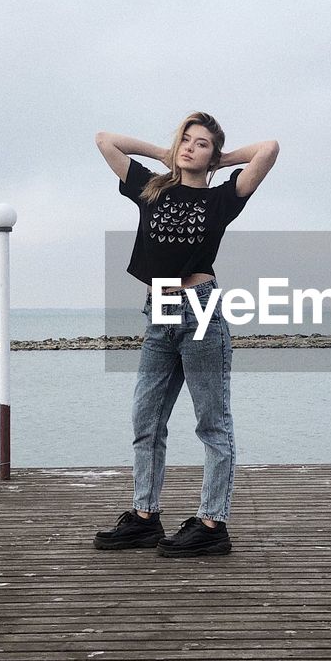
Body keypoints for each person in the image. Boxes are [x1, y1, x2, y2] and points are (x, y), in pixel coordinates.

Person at [93, 112, 278, 557]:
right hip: (157, 311)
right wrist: (167, 155)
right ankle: (144, 518)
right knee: (146, 420)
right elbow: (106, 140)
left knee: (211, 422)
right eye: (187, 140)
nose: (191, 147)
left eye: (201, 144)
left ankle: (213, 525)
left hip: (200, 308)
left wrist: (218, 160)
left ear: (211, 154)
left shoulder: (221, 200)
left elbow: (268, 149)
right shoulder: (152, 189)